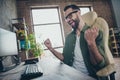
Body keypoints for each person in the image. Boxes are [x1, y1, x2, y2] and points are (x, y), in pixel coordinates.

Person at [44, 4, 107, 79]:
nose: (68, 20)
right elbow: (64, 58)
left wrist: (91, 43)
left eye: (70, 16)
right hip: (71, 74)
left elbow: (100, 65)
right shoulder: (68, 37)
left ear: (79, 13)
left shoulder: (95, 33)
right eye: (66, 18)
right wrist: (51, 48)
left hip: (89, 76)